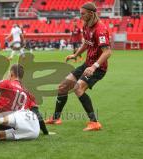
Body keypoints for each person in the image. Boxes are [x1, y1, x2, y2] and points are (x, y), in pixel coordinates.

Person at [45, 2, 112, 131]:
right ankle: (55, 118)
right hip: (87, 64)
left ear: (91, 14)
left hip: (98, 67)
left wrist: (94, 67)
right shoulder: (86, 25)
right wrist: (75, 54)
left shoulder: (101, 29)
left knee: (78, 88)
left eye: (83, 14)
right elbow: (87, 44)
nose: (80, 16)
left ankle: (94, 122)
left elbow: (108, 51)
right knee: (63, 86)